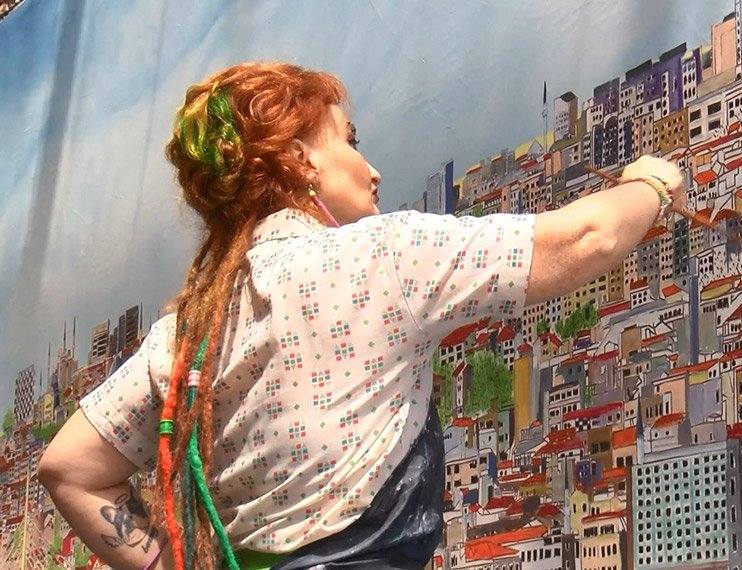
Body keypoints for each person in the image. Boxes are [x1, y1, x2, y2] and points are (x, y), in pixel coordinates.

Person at [37, 61, 684, 570]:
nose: (372, 170)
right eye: (350, 141)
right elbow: (587, 238)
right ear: (299, 159)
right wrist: (651, 183)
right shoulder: (381, 257)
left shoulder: (188, 333)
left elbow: (70, 468)